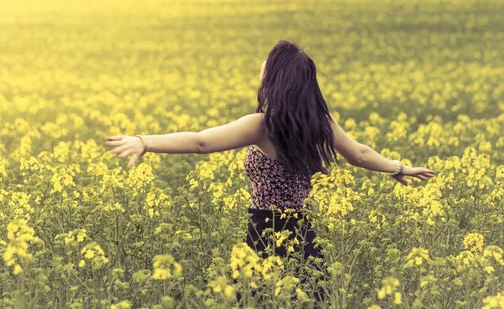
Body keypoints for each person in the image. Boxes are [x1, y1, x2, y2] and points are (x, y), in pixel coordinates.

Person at [105, 40, 437, 307]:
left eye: (266, 62)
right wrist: (399, 168)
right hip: (305, 236)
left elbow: (201, 142)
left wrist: (144, 142)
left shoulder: (263, 125)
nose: (260, 66)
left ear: (275, 76)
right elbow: (360, 154)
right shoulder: (320, 122)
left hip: (264, 233)